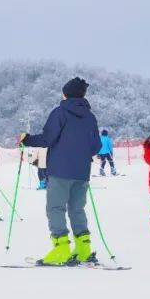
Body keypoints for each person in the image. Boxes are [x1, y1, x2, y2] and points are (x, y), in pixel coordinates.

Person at [19, 77, 102, 265]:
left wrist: (27, 139)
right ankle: (83, 248)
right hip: (82, 172)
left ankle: (61, 249)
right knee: (77, 208)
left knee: (55, 208)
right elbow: (96, 145)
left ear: (65, 94)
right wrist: (81, 154)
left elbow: (48, 138)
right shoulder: (90, 116)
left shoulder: (60, 112)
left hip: (60, 170)